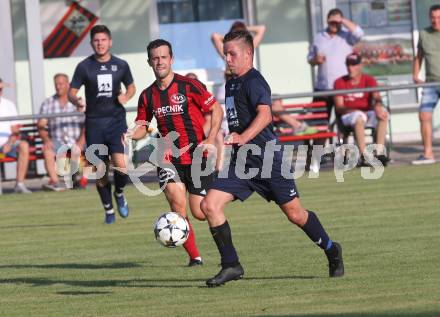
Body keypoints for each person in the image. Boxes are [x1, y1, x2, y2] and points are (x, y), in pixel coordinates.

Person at [200, 30, 344, 287]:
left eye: (232, 54)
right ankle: (231, 264)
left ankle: (332, 250)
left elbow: (265, 115)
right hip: (243, 162)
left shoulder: (255, 81)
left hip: (268, 159)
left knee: (296, 215)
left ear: (248, 54)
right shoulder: (232, 83)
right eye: (225, 54)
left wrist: (243, 136)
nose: (228, 59)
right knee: (210, 205)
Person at [130, 39, 223, 266]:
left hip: (195, 155)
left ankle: (224, 247)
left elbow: (216, 108)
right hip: (168, 158)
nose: (159, 61)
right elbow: (142, 126)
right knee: (177, 208)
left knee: (200, 212)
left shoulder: (188, 86)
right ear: (149, 62)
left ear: (171, 59)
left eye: (163, 57)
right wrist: (130, 134)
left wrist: (210, 139)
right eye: (155, 58)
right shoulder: (147, 95)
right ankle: (195, 258)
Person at [68, 25, 136, 224]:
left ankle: (120, 193)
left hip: (116, 122)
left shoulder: (121, 65)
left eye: (103, 40)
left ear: (110, 41)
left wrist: (126, 96)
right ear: (91, 43)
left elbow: (131, 87)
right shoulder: (84, 66)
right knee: (99, 171)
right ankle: (108, 211)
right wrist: (76, 101)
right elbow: (72, 92)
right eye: (96, 41)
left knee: (121, 166)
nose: (100, 43)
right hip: (94, 124)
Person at [334, 53, 389, 166]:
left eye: (354, 65)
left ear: (360, 65)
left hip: (366, 113)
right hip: (348, 115)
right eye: (348, 65)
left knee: (383, 114)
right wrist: (355, 111)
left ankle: (379, 153)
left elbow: (377, 98)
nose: (350, 68)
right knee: (358, 117)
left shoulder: (369, 79)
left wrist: (378, 107)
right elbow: (339, 107)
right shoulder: (339, 82)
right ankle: (364, 156)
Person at [308, 8, 364, 117]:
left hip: (343, 87)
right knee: (319, 122)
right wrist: (316, 60)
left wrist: (342, 20)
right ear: (327, 21)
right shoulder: (319, 37)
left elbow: (359, 33)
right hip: (323, 87)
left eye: (337, 22)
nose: (334, 25)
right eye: (332, 22)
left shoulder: (347, 36)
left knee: (344, 123)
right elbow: (310, 59)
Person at [38, 73, 85, 191]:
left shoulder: (78, 102)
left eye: (61, 84)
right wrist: (47, 140)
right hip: (57, 142)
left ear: (68, 85)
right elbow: (41, 125)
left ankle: (78, 179)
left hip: (77, 140)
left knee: (79, 149)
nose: (58, 87)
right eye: (56, 84)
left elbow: (88, 124)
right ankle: (55, 183)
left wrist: (80, 141)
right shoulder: (48, 103)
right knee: (47, 149)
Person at [411, 4, 440, 165]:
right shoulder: (424, 34)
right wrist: (415, 74)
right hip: (431, 83)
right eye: (433, 18)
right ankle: (428, 154)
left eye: (439, 18)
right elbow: (419, 56)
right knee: (424, 116)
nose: (436, 21)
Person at [0, 78, 32, 193]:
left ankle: (19, 184)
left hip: (8, 145)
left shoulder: (9, 105)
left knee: (24, 145)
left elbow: (15, 131)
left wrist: (9, 143)